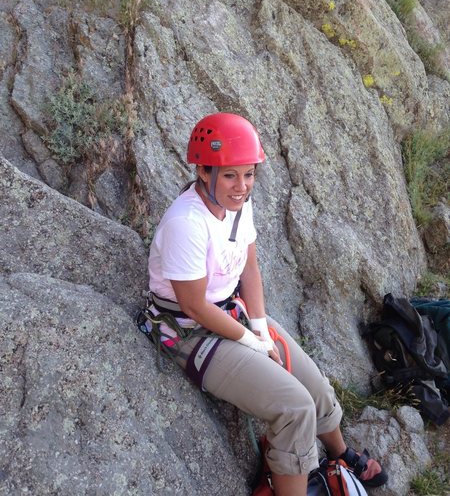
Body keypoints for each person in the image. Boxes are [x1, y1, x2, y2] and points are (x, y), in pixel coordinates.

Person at [143, 112, 388, 495]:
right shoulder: (186, 223)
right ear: (204, 172)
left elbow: (249, 268)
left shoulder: (238, 205)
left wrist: (260, 325)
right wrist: (252, 342)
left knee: (316, 388)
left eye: (249, 174)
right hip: (188, 331)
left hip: (230, 311)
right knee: (294, 409)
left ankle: (339, 453)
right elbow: (193, 306)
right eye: (229, 175)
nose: (241, 186)